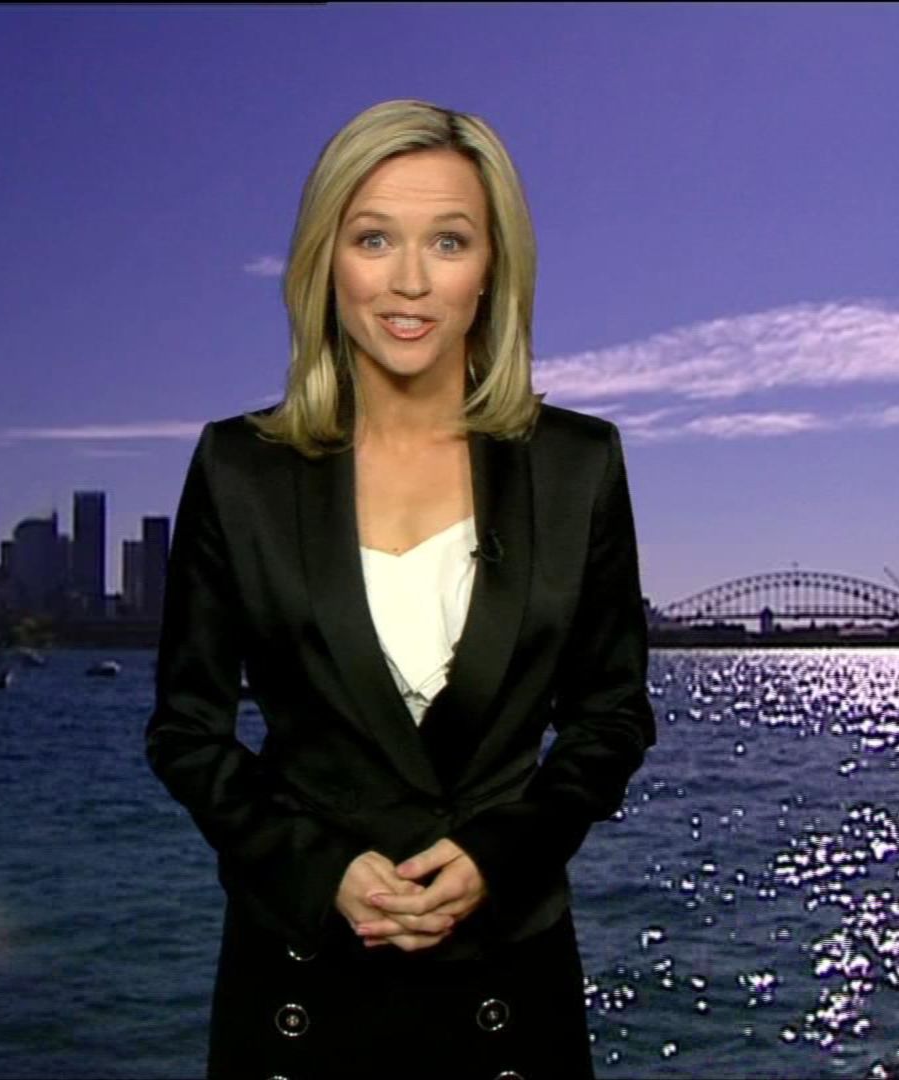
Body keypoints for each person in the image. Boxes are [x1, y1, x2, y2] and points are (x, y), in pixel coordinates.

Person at [145, 99, 656, 1080]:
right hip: (297, 991)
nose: (410, 281)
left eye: (449, 241)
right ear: (325, 261)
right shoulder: (239, 469)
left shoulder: (578, 465)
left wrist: (502, 856)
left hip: (510, 993)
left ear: (493, 267)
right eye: (374, 238)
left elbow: (612, 716)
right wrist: (320, 869)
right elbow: (186, 731)